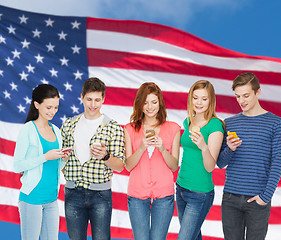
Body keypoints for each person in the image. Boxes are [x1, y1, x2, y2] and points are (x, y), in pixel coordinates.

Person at [217, 72, 281, 240]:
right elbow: (220, 162)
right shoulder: (230, 123)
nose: (242, 101)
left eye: (246, 95)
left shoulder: (276, 123)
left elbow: (278, 163)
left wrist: (265, 197)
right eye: (238, 96)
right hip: (230, 199)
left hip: (258, 200)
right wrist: (230, 149)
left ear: (258, 92)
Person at [61, 77, 125, 240]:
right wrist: (68, 172)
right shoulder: (69, 125)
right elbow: (61, 159)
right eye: (89, 99)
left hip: (100, 195)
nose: (93, 104)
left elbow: (119, 166)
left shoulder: (113, 127)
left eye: (97, 100)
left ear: (103, 99)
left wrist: (105, 156)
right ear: (81, 97)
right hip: (73, 192)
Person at [124, 82, 180, 240]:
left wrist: (162, 149)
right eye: (145, 102)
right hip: (136, 196)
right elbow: (128, 166)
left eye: (154, 102)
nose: (150, 107)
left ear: (160, 103)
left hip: (164, 196)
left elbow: (174, 166)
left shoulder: (173, 128)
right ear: (139, 104)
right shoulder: (129, 129)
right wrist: (141, 147)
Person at [13, 84, 69, 240]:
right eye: (49, 107)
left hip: (51, 199)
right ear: (37, 105)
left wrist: (64, 159)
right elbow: (17, 165)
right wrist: (45, 156)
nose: (53, 112)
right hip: (32, 199)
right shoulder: (28, 129)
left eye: (56, 108)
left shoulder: (57, 131)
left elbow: (55, 166)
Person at [176, 80, 224, 240]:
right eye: (195, 98)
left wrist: (203, 146)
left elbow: (210, 167)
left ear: (211, 100)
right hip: (181, 188)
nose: (199, 102)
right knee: (194, 236)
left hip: (200, 194)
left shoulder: (215, 126)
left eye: (204, 99)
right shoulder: (188, 121)